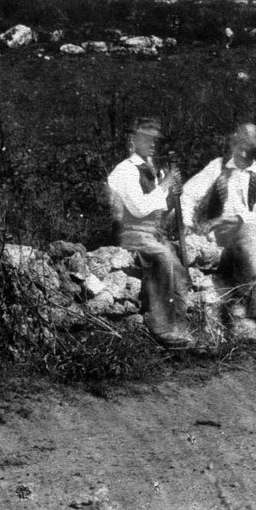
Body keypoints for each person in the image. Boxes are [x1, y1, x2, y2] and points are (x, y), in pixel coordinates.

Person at [106, 117, 193, 347]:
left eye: (156, 140)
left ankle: (180, 327)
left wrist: (175, 195)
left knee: (178, 267)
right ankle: (162, 329)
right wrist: (165, 186)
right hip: (132, 233)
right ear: (133, 140)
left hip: (154, 233)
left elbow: (163, 215)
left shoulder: (155, 171)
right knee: (163, 259)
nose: (153, 143)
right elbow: (139, 208)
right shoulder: (125, 170)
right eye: (147, 138)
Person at [181, 123, 256, 324]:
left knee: (249, 242)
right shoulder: (217, 166)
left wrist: (226, 218)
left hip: (250, 233)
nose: (243, 154)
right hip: (219, 234)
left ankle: (245, 306)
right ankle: (240, 309)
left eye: (250, 151)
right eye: (241, 147)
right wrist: (187, 224)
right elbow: (187, 193)